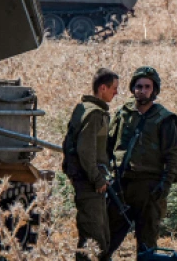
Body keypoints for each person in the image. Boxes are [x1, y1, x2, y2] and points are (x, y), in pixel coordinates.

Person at [107, 66, 177, 256]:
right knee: (106, 241)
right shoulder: (123, 114)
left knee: (147, 247)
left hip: (149, 188)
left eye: (147, 87)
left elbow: (173, 156)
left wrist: (164, 187)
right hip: (121, 185)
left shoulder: (165, 119)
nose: (142, 90)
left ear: (155, 90)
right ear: (133, 89)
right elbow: (108, 146)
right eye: (138, 86)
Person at [62, 68, 120, 261]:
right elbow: (85, 150)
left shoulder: (85, 108)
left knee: (100, 238)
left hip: (89, 182)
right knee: (94, 241)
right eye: (114, 88)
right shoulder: (95, 113)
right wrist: (97, 178)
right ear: (102, 88)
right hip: (89, 184)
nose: (116, 93)